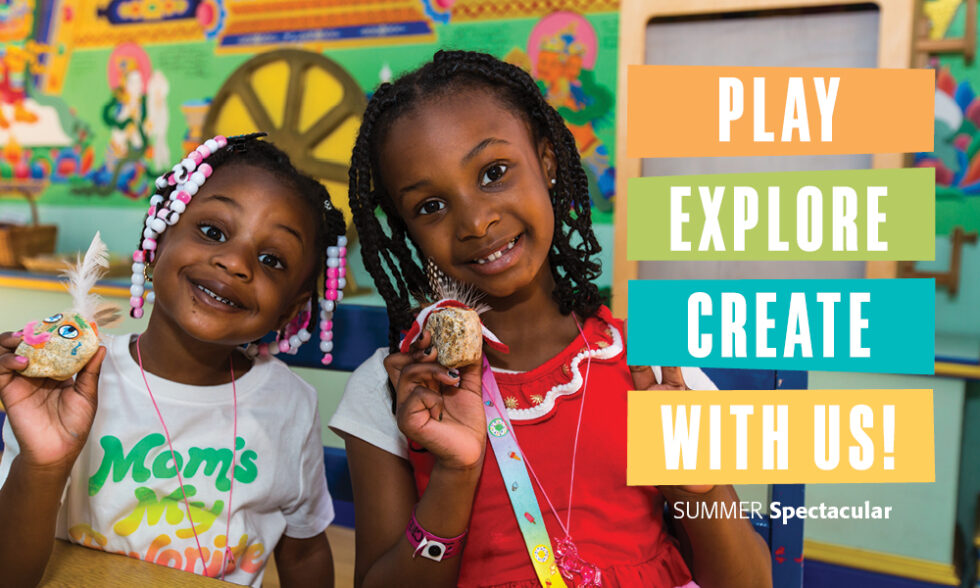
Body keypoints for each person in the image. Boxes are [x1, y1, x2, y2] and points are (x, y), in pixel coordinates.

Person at [329, 51, 772, 588]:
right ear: (405, 230)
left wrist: (697, 486)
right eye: (430, 206)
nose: (475, 221)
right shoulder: (395, 391)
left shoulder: (654, 369)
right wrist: (454, 474)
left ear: (548, 161)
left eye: (494, 173)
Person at [0, 134, 344, 587]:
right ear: (157, 241)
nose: (236, 263)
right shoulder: (71, 385)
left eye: (271, 259)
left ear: (291, 309)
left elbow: (304, 554)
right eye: (213, 231)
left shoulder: (290, 405)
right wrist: (43, 463)